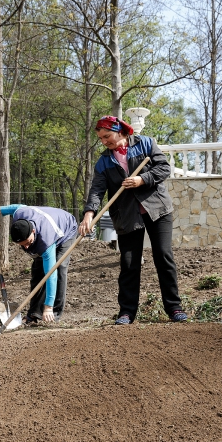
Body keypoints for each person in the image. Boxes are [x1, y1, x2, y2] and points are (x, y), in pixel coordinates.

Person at [78, 115, 187, 325]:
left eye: (107, 136)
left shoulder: (145, 143)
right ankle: (126, 312)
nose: (104, 141)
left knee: (163, 257)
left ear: (120, 131)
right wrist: (89, 213)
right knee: (129, 263)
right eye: (101, 138)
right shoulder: (104, 161)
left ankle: (174, 308)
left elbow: (164, 168)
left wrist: (142, 179)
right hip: (127, 215)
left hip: (157, 208)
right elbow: (97, 190)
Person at [0, 202, 78, 324]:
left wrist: (48, 306)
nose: (26, 248)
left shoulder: (45, 241)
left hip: (66, 230)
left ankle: (53, 313)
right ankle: (34, 313)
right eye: (22, 245)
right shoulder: (20, 216)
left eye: (28, 243)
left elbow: (51, 275)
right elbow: (17, 208)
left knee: (58, 269)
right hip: (46, 227)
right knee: (37, 271)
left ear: (33, 231)